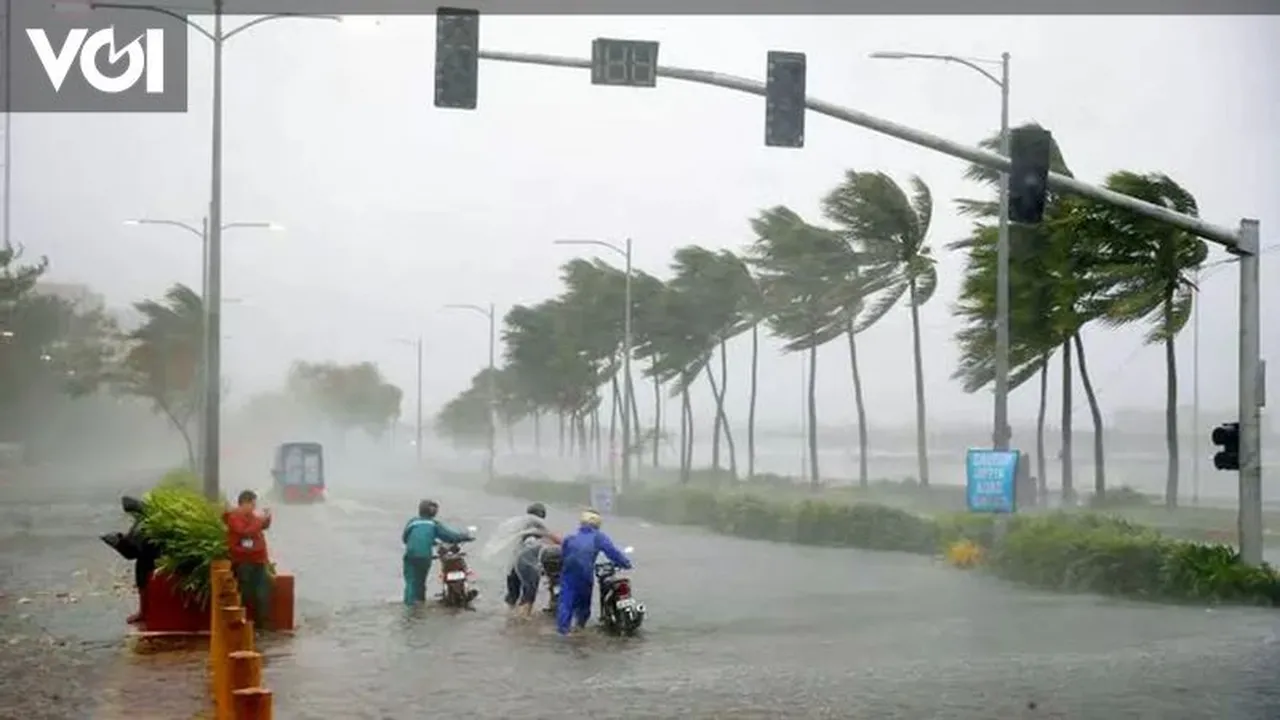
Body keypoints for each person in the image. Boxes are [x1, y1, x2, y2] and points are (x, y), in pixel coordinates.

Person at [556, 508, 631, 636]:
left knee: (565, 602)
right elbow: (613, 553)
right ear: (597, 524)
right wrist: (626, 564)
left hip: (568, 574)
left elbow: (563, 556)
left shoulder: (570, 538)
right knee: (584, 604)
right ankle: (580, 629)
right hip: (585, 574)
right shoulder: (598, 537)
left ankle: (563, 632)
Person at [100, 495, 161, 625]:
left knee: (142, 578)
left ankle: (143, 612)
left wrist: (118, 543)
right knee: (144, 578)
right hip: (152, 555)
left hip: (151, 558)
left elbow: (132, 553)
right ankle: (145, 611)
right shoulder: (147, 519)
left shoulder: (143, 526)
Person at [402, 499, 475, 606]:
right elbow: (450, 537)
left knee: (411, 581)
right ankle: (419, 602)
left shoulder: (412, 522)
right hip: (425, 556)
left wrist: (429, 541)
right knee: (420, 581)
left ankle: (409, 604)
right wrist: (465, 537)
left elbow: (405, 538)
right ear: (434, 512)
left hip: (410, 555)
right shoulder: (433, 524)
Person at [223, 490, 273, 630]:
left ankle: (263, 625)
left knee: (263, 592)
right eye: (252, 504)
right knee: (246, 593)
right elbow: (245, 531)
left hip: (258, 560)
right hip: (243, 561)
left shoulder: (252, 517)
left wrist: (267, 518)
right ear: (243, 503)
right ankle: (246, 625)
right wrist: (259, 521)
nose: (253, 507)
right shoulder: (234, 517)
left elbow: (261, 525)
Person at [502, 502, 562, 618]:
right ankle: (523, 622)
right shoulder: (536, 525)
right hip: (526, 565)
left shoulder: (521, 525)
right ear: (542, 514)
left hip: (512, 565)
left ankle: (508, 618)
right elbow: (552, 538)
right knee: (529, 595)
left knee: (512, 595)